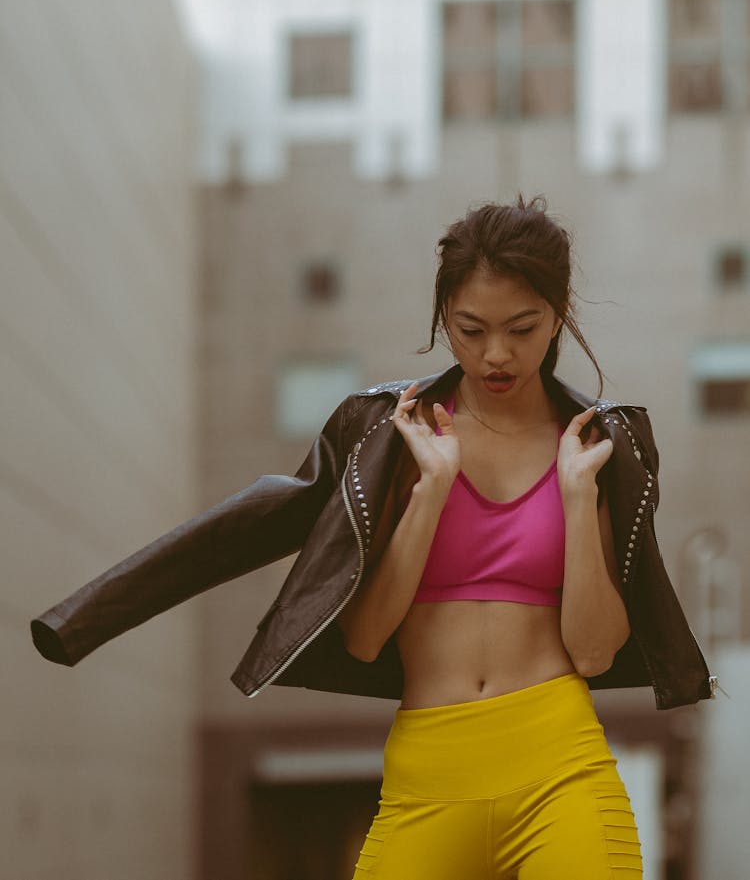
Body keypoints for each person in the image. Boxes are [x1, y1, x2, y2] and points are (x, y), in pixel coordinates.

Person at [31, 196, 713, 879]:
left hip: (562, 770)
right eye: (470, 328)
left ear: (558, 315)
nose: (495, 352)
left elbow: (594, 652)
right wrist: (431, 491)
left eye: (522, 327)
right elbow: (363, 638)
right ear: (444, 314)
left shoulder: (594, 445)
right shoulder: (393, 438)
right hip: (426, 778)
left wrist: (575, 496)